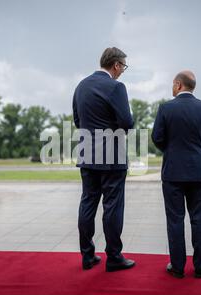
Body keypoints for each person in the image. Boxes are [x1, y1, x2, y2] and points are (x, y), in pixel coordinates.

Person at [72, 47, 135, 272]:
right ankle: (114, 256)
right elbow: (127, 123)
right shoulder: (116, 87)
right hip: (112, 156)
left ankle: (87, 256)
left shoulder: (81, 86)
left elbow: (78, 120)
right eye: (123, 67)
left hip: (87, 153)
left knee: (88, 202)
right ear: (116, 65)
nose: (123, 72)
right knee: (113, 206)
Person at [151, 70, 201, 279]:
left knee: (175, 220)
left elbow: (157, 137)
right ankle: (200, 266)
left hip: (173, 172)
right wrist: (196, 150)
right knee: (199, 219)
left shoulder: (166, 108)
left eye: (173, 84)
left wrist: (171, 150)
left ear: (178, 84)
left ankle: (178, 267)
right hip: (198, 171)